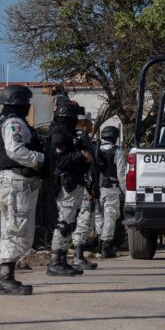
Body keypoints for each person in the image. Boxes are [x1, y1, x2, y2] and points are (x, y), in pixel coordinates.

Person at [0, 85, 44, 296]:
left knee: (10, 230)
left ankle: (7, 277)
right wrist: (40, 160)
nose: (28, 106)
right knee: (18, 232)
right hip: (16, 184)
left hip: (10, 183)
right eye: (26, 103)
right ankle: (6, 280)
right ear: (19, 102)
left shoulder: (3, 121)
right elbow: (15, 150)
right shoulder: (14, 123)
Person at [47, 99, 92, 276]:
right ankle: (55, 261)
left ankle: (63, 259)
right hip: (66, 184)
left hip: (75, 183)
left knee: (69, 223)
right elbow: (61, 161)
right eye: (74, 117)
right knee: (64, 223)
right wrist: (81, 155)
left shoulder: (69, 134)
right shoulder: (58, 134)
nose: (76, 121)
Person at [68, 110, 100, 271]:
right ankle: (78, 256)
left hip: (78, 185)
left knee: (79, 220)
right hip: (83, 186)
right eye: (89, 122)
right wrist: (91, 186)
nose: (91, 125)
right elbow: (88, 165)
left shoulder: (75, 138)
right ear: (83, 123)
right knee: (83, 220)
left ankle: (75, 255)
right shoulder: (82, 139)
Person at [92, 125, 124, 258]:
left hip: (96, 188)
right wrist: (126, 192)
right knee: (111, 215)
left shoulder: (95, 150)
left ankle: (100, 243)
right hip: (111, 188)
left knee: (99, 215)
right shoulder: (117, 151)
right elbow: (121, 174)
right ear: (115, 137)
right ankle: (106, 246)